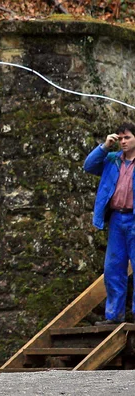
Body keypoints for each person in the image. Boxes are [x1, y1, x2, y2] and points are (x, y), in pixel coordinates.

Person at [84, 122, 135, 325]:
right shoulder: (112, 160)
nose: (123, 142)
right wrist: (105, 146)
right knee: (113, 268)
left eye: (127, 138)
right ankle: (114, 316)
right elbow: (89, 165)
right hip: (116, 218)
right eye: (120, 138)